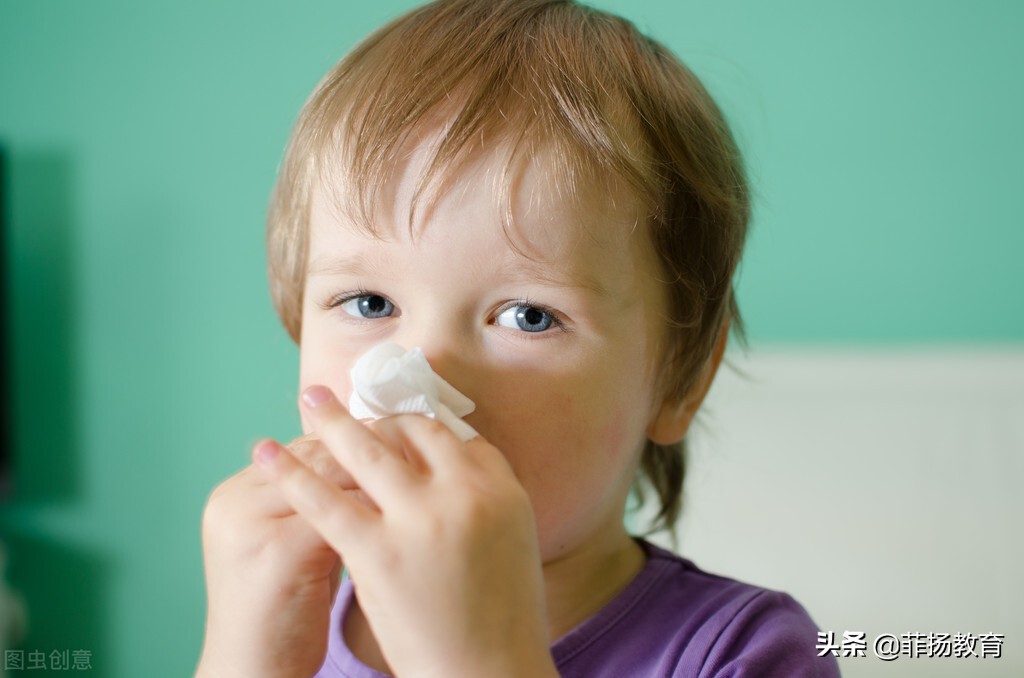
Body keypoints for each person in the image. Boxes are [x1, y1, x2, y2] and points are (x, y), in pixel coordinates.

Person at [197, 1, 841, 675]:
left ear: (679, 380)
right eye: (369, 302)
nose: (416, 369)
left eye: (529, 316)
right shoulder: (289, 615)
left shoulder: (742, 652)